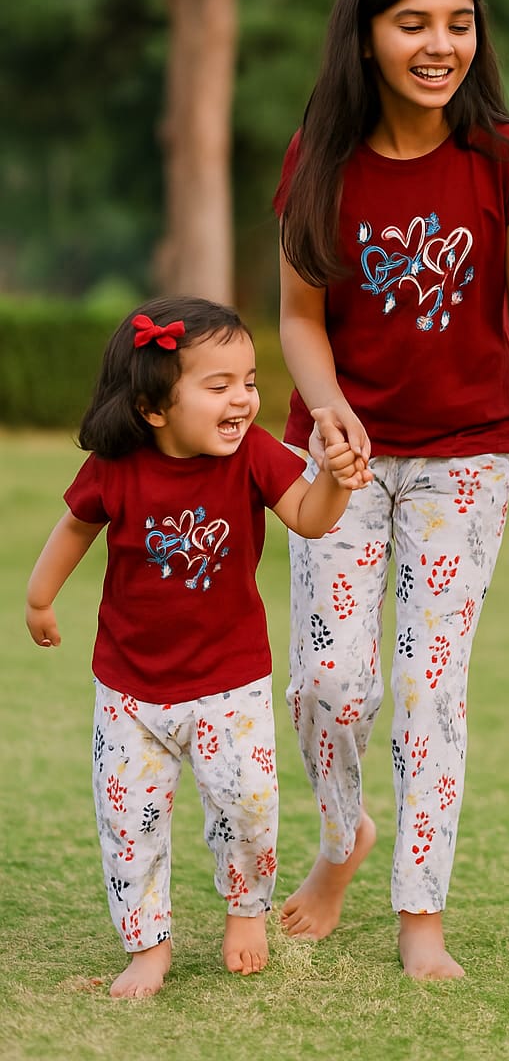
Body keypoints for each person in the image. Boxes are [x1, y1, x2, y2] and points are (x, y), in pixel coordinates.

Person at [274, 0, 509, 979]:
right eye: (412, 24)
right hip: (339, 458)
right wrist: (328, 407)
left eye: (457, 23)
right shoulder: (320, 156)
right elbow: (299, 318)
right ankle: (344, 833)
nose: (438, 44)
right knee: (327, 684)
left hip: (462, 461)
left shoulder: (506, 157)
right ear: (365, 37)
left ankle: (420, 913)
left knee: (429, 687)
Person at [25, 296, 365, 1000]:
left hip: (230, 682)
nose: (243, 398)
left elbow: (309, 518)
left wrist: (334, 478)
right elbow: (74, 529)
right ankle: (148, 947)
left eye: (249, 381)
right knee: (129, 824)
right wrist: (38, 597)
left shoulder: (255, 456)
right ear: (154, 407)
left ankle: (246, 911)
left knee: (247, 805)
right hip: (129, 689)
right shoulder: (117, 467)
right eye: (220, 385)